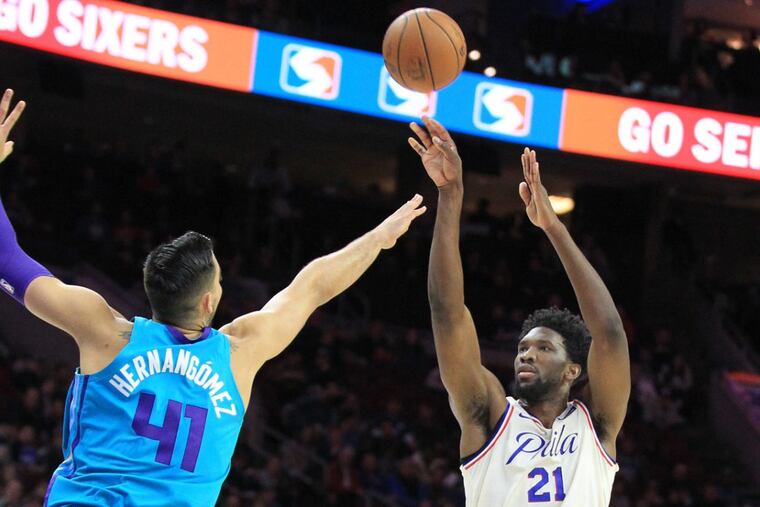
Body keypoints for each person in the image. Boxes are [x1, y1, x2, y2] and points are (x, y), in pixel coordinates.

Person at [0, 89, 427, 506]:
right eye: (220, 280)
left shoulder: (105, 332)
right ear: (208, 302)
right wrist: (379, 239)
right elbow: (314, 285)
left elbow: (8, 259)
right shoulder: (239, 353)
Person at [408, 117, 630, 506]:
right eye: (524, 347)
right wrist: (449, 193)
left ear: (572, 370)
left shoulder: (596, 422)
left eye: (544, 349)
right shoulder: (491, 415)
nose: (526, 353)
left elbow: (609, 332)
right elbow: (446, 313)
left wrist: (554, 228)